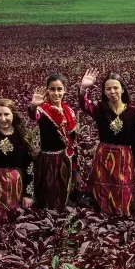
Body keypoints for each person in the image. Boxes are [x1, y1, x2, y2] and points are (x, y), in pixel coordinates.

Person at [78, 69, 135, 215]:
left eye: (116, 87)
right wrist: (83, 88)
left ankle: (121, 219)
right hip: (104, 154)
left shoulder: (133, 112)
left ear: (122, 89)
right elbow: (84, 105)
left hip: (124, 156)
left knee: (123, 194)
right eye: (108, 88)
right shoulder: (100, 108)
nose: (112, 91)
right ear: (104, 91)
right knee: (103, 191)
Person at [28, 73, 78, 210]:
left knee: (63, 190)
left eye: (59, 89)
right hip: (47, 158)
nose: (56, 93)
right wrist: (33, 106)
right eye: (52, 89)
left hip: (65, 157)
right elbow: (34, 115)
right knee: (48, 191)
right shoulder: (43, 109)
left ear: (65, 90)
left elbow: (73, 139)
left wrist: (75, 164)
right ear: (47, 90)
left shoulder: (69, 111)